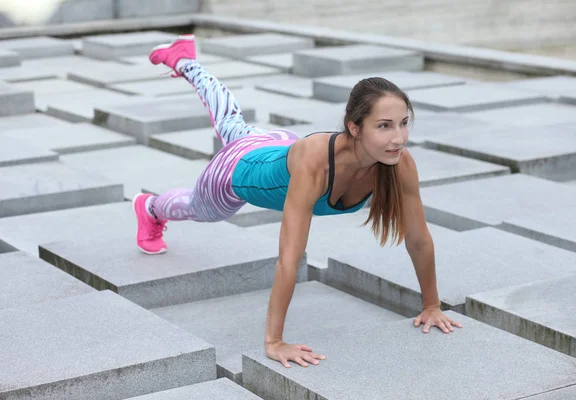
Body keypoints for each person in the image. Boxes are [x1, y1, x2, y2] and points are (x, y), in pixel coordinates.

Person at [133, 35, 462, 369]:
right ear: (355, 127)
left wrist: (432, 305)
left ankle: (185, 60)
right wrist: (274, 342)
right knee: (198, 206)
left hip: (277, 145)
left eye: (404, 123)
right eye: (384, 126)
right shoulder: (316, 163)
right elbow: (289, 258)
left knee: (232, 122)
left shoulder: (399, 163)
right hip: (239, 170)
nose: (399, 137)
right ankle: (150, 207)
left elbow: (418, 239)